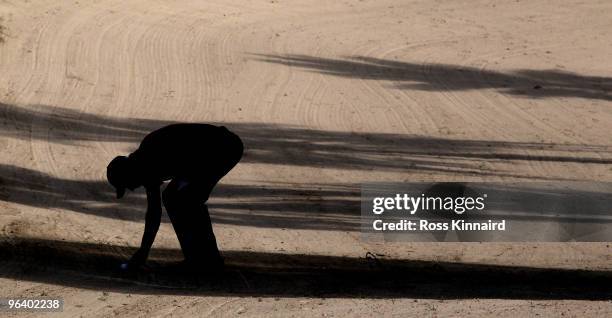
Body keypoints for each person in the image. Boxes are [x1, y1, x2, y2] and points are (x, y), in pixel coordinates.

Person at [107, 123, 243, 272]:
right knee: (178, 198)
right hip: (209, 153)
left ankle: (207, 260)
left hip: (222, 148)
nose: (132, 188)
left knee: (185, 198)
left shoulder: (149, 159)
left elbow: (154, 213)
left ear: (129, 173)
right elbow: (154, 211)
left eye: (127, 185)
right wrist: (143, 251)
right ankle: (200, 258)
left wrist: (143, 252)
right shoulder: (143, 162)